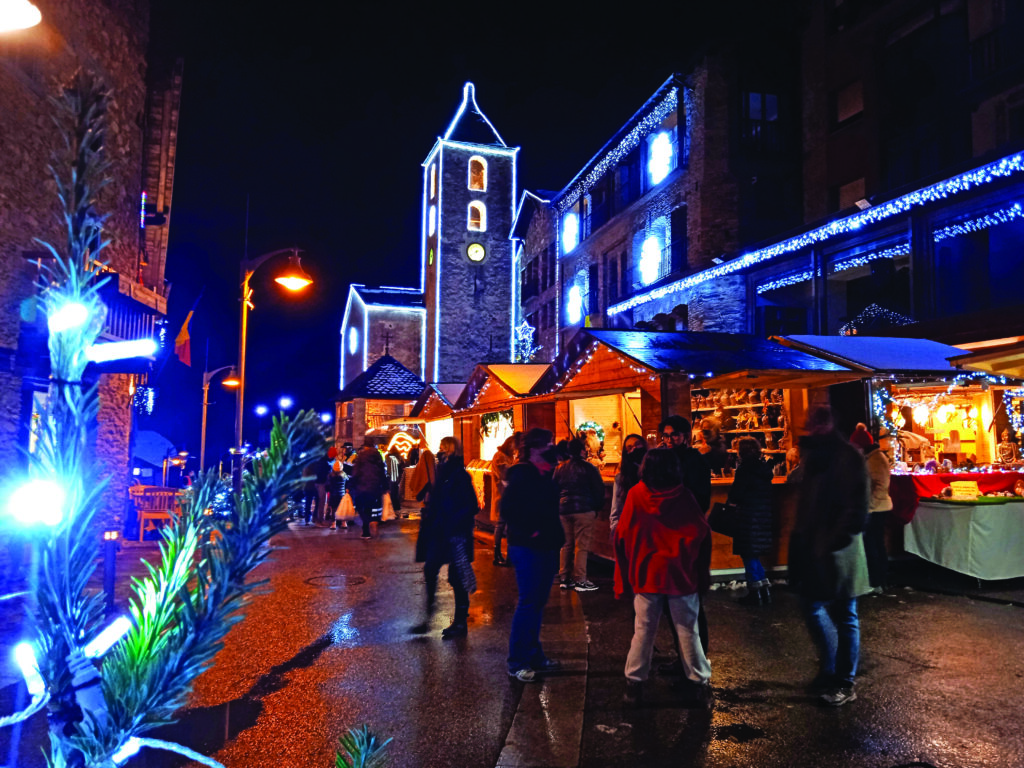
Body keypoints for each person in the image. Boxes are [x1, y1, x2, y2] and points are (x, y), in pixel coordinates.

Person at [614, 447, 712, 705]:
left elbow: (622, 534)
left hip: (647, 573)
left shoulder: (636, 495)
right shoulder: (684, 496)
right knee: (688, 631)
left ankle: (633, 686)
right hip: (681, 574)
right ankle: (699, 684)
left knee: (643, 631)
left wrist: (626, 572)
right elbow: (701, 534)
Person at [789, 406, 870, 707]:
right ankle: (832, 670)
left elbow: (856, 506)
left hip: (837, 546)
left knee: (843, 612)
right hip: (819, 544)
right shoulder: (820, 456)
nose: (812, 427)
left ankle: (842, 679)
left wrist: (833, 539)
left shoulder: (844, 456)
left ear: (828, 423)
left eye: (817, 422)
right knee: (818, 607)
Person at [501, 427, 565, 683]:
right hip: (528, 545)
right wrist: (533, 531)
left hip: (546, 543)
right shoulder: (522, 474)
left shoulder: (544, 473)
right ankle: (517, 660)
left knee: (537, 602)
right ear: (537, 447)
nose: (552, 446)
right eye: (548, 443)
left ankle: (534, 653)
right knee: (528, 602)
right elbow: (509, 509)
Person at [410, 436, 478, 637]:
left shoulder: (460, 475)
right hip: (439, 532)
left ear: (451, 451)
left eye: (443, 448)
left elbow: (471, 505)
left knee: (457, 577)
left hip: (455, 533)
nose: (440, 452)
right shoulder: (442, 473)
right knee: (430, 569)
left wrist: (453, 520)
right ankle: (428, 617)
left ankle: (459, 622)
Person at [553, 438, 606, 592]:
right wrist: (596, 508)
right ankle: (581, 580)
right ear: (583, 450)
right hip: (584, 509)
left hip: (564, 510)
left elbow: (554, 489)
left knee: (566, 544)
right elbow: (599, 490)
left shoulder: (560, 468)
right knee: (581, 546)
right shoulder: (589, 468)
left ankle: (564, 577)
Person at [728, 437, 775, 605]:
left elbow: (736, 494)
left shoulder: (744, 470)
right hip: (762, 517)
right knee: (753, 554)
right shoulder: (764, 470)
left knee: (748, 554)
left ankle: (755, 592)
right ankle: (764, 590)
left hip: (747, 517)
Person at [862, 434, 893, 593]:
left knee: (872, 545)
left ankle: (876, 581)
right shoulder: (875, 458)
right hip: (879, 507)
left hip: (877, 509)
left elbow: (879, 487)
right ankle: (880, 580)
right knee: (876, 544)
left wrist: (870, 507)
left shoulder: (875, 460)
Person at [608, 433, 647, 536]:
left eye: (637, 444)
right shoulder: (622, 478)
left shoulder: (654, 473)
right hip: (630, 531)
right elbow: (616, 511)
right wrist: (617, 532)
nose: (634, 449)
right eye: (629, 447)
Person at [348, 440, 388, 539]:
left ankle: (366, 529)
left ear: (365, 446)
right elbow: (382, 472)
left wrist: (350, 485)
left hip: (361, 486)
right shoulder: (378, 456)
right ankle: (373, 521)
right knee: (371, 507)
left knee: (361, 508)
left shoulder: (361, 457)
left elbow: (356, 472)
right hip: (375, 487)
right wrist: (385, 486)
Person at [490, 433, 518, 566]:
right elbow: (505, 474)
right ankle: (499, 554)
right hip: (503, 495)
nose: (514, 448)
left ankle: (500, 553)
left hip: (504, 495)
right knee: (503, 525)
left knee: (502, 525)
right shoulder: (500, 457)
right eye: (513, 445)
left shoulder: (504, 456)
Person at [325, 446, 348, 530]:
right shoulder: (344, 475)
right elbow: (347, 482)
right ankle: (343, 523)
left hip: (333, 494)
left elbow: (327, 485)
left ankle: (333, 524)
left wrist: (328, 490)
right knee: (342, 509)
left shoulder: (330, 475)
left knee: (334, 509)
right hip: (341, 494)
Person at [386, 447, 404, 516]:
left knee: (392, 493)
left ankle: (393, 509)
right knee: (396, 493)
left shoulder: (388, 457)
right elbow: (402, 465)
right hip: (397, 478)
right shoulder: (399, 457)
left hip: (391, 478)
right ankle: (397, 508)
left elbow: (388, 468)